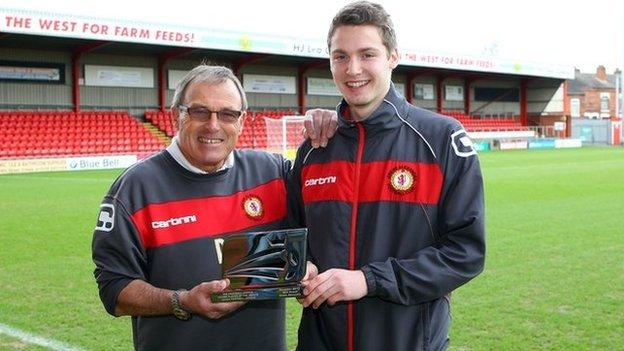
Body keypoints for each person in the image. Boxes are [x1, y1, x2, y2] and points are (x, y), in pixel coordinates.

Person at [91, 64, 336, 351]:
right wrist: (181, 301)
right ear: (176, 116)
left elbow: (323, 227)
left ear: (241, 122)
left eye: (228, 114)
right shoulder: (134, 189)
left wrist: (306, 267)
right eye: (199, 111)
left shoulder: (272, 174)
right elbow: (114, 289)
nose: (213, 125)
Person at [288, 2, 486, 350]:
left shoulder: (441, 140)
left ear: (393, 57)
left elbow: (465, 253)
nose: (353, 69)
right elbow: (294, 241)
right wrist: (301, 268)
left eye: (367, 54)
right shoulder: (314, 149)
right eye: (340, 56)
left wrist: (368, 280)